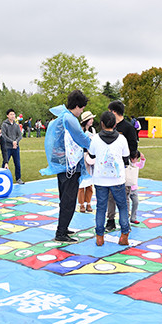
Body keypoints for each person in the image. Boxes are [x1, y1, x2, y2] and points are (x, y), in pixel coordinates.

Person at [40, 90, 92, 243]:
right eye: (81, 108)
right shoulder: (70, 118)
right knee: (69, 200)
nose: (82, 111)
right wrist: (93, 144)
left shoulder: (62, 116)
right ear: (76, 106)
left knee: (65, 197)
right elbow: (80, 138)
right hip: (69, 166)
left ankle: (64, 226)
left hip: (62, 165)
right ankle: (61, 233)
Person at [88, 111, 131, 246]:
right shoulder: (122, 139)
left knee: (101, 207)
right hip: (117, 179)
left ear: (101, 124)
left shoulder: (95, 139)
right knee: (122, 206)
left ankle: (99, 237)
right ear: (115, 124)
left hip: (100, 179)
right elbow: (126, 158)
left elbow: (92, 155)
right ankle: (124, 234)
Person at [105, 100, 138, 232]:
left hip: (123, 168)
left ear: (114, 112)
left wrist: (125, 154)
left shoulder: (128, 127)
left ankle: (125, 222)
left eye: (109, 112)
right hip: (110, 168)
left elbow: (134, 147)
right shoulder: (109, 126)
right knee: (110, 196)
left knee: (124, 196)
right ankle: (110, 221)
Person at [77, 111, 96, 213]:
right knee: (82, 183)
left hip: (91, 157)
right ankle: (81, 204)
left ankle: (88, 203)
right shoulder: (80, 130)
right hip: (81, 156)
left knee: (90, 183)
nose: (92, 120)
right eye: (91, 119)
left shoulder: (93, 130)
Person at [1, 108, 24, 184]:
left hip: (15, 147)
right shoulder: (4, 125)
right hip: (7, 147)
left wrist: (16, 142)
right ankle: (2, 177)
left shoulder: (16, 125)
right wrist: (12, 142)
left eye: (13, 114)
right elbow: (3, 136)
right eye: (11, 114)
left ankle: (18, 178)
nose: (12, 116)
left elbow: (20, 135)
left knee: (17, 163)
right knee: (5, 162)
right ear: (7, 116)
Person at [125, 150, 146, 225]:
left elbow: (141, 165)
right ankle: (126, 218)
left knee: (136, 202)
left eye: (137, 158)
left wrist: (142, 158)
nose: (135, 160)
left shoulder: (136, 165)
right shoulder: (127, 164)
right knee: (126, 204)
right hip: (127, 187)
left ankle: (133, 218)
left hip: (134, 188)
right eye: (134, 158)